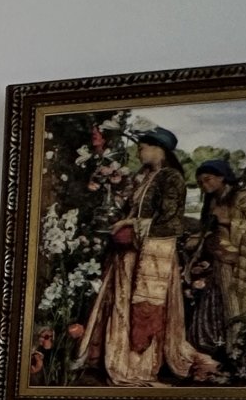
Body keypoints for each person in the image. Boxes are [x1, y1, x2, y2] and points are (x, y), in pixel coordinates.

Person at [74, 127, 220, 386]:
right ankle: (116, 358)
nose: (139, 153)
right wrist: (123, 221)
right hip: (130, 255)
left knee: (143, 310)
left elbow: (171, 222)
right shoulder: (145, 177)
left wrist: (131, 224)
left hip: (152, 254)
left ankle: (138, 364)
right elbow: (135, 211)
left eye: (142, 148)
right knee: (121, 305)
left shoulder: (171, 177)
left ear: (158, 149)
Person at [195, 157, 246, 339]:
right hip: (222, 258)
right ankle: (231, 344)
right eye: (201, 183)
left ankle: (243, 343)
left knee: (244, 302)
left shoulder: (243, 196)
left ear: (222, 177)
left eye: (208, 179)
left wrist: (227, 222)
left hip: (245, 258)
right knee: (228, 302)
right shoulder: (211, 201)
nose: (204, 185)